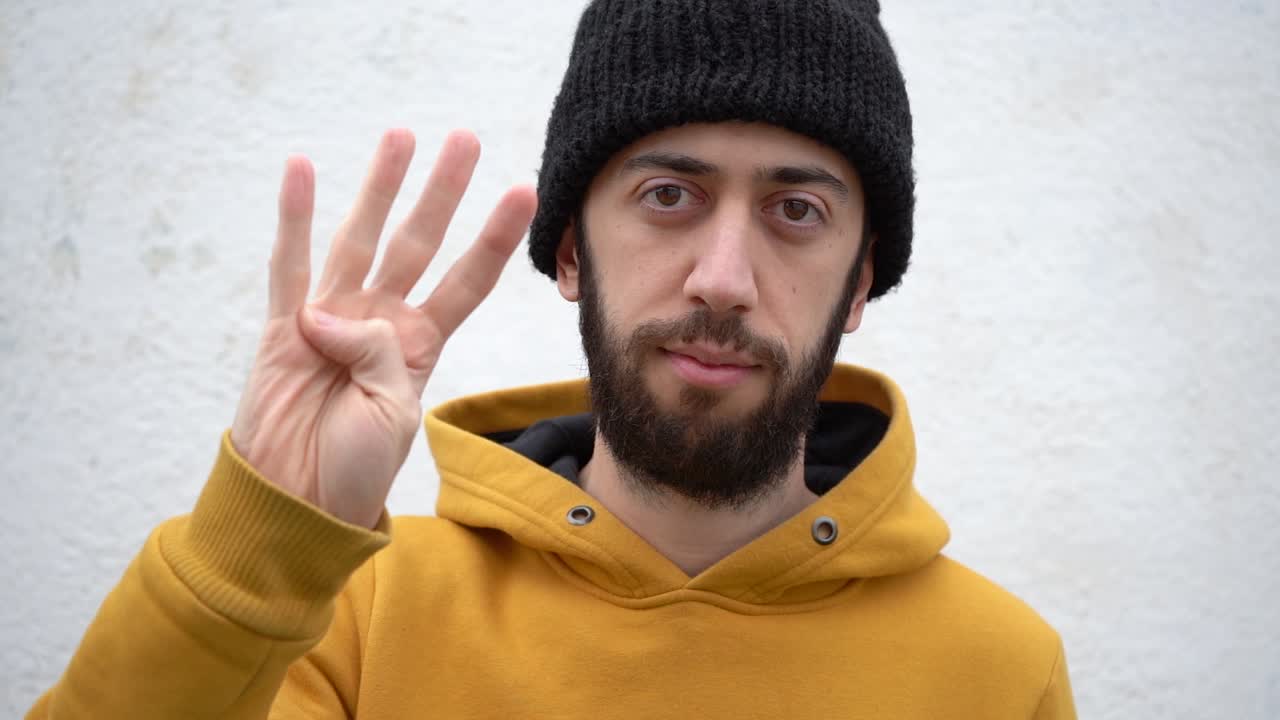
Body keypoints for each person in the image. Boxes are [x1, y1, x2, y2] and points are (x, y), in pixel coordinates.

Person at [28, 1, 1076, 718]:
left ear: (858, 283)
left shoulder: (996, 668)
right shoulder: (352, 611)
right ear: (571, 251)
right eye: (669, 195)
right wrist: (249, 552)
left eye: (795, 211)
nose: (723, 277)